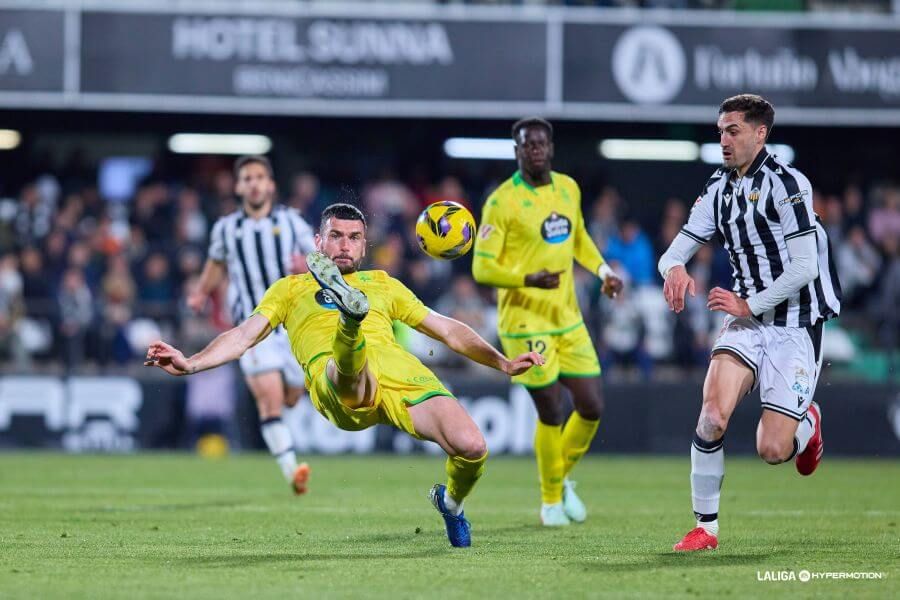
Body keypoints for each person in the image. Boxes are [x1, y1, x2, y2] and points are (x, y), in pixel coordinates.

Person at [146, 203, 544, 548]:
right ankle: (350, 322)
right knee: (351, 369)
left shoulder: (383, 284)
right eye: (334, 236)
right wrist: (192, 363)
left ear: (364, 246)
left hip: (402, 376)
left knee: (472, 446)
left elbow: (446, 328)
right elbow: (243, 336)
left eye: (353, 237)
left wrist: (504, 363)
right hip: (335, 382)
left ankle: (451, 505)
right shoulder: (289, 289)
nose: (344, 244)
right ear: (318, 243)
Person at [658, 94, 842, 552]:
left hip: (795, 323)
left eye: (733, 130)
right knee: (711, 416)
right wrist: (674, 269)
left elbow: (804, 268)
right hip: (747, 323)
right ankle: (706, 527)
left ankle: (807, 424)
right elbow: (672, 253)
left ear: (760, 133)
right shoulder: (719, 189)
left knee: (772, 450)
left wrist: (749, 304)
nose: (723, 139)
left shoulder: (789, 183)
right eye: (720, 129)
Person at [472, 117, 623, 526]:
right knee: (552, 408)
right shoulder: (501, 201)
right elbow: (482, 268)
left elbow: (578, 239)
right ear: (516, 151)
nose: (534, 150)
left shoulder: (568, 188)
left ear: (550, 148)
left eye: (540, 143)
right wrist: (527, 278)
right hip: (524, 322)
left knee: (591, 405)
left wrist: (603, 271)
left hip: (567, 317)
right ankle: (550, 500)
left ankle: (562, 478)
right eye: (526, 145)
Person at [187, 155, 316, 495]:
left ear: (271, 185)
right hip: (252, 328)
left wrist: (308, 264)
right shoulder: (227, 228)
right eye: (248, 178)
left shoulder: (292, 222)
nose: (254, 183)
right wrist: (201, 292)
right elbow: (216, 263)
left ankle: (289, 441)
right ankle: (293, 471)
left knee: (290, 397)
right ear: (239, 186)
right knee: (270, 401)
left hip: (292, 328)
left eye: (260, 177)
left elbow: (319, 260)